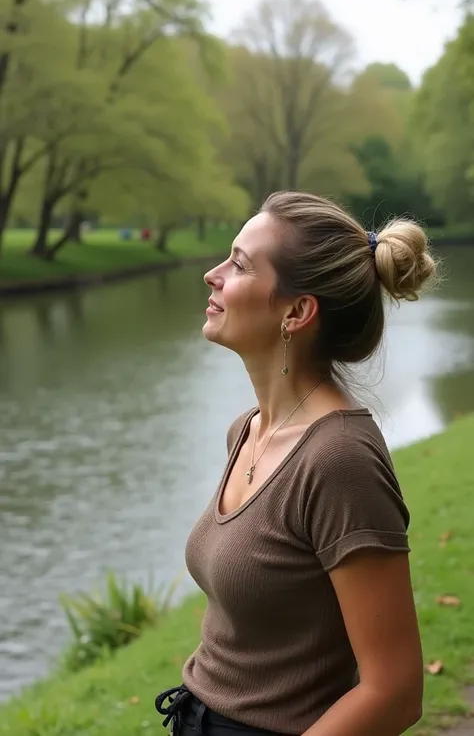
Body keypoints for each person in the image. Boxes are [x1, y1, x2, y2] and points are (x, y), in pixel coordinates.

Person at [156, 191, 436, 736]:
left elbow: (395, 691)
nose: (212, 275)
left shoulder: (339, 461)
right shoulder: (248, 430)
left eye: (238, 264)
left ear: (297, 311)